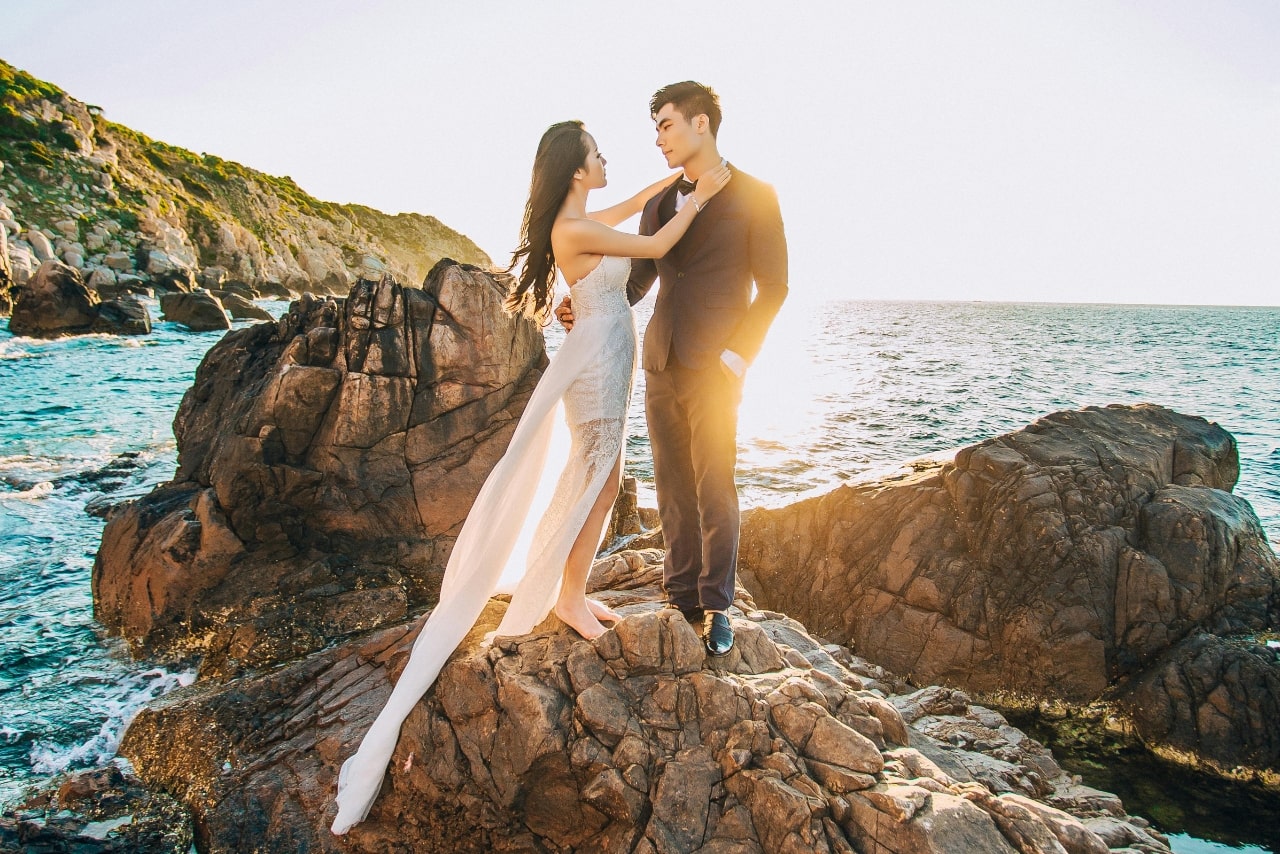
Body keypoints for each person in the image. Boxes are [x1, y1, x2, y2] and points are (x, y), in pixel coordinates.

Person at [330, 120, 731, 835]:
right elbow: (656, 246)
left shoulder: (579, 218)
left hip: (606, 349)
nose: (609, 160)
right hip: (597, 358)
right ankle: (567, 595)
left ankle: (567, 589)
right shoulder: (573, 231)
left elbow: (639, 202)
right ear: (576, 169)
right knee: (597, 476)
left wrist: (680, 180)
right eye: (598, 154)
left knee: (599, 476)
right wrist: (703, 200)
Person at [556, 81, 789, 658]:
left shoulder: (758, 195)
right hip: (659, 360)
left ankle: (717, 606)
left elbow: (776, 287)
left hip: (719, 365)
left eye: (665, 124)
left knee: (715, 482)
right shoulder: (661, 205)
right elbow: (640, 280)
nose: (657, 136)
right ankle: (680, 594)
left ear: (701, 124)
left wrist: (738, 356)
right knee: (672, 487)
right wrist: (582, 298)